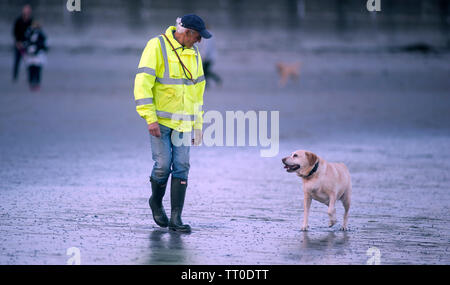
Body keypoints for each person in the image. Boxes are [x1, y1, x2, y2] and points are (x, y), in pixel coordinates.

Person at [133, 14, 212, 232]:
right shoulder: (156, 46)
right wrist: (149, 118)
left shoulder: (194, 52)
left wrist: (198, 124)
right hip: (159, 122)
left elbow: (198, 92)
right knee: (162, 166)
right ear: (186, 32)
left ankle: (176, 219)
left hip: (184, 124)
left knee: (182, 167)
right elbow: (142, 84)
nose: (199, 42)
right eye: (197, 37)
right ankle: (156, 203)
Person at [23, 21, 48, 91]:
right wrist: (28, 49)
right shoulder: (28, 33)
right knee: (31, 69)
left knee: (37, 70)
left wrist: (37, 49)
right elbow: (26, 42)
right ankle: (31, 83)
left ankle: (37, 83)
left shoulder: (41, 34)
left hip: (38, 55)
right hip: (30, 55)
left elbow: (44, 45)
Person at [12, 4, 32, 82]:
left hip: (27, 45)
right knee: (17, 61)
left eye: (28, 10)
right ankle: (15, 77)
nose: (27, 12)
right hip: (18, 44)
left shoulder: (30, 21)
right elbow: (15, 32)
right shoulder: (18, 20)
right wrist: (17, 42)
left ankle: (29, 77)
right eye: (26, 10)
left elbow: (32, 33)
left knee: (28, 62)